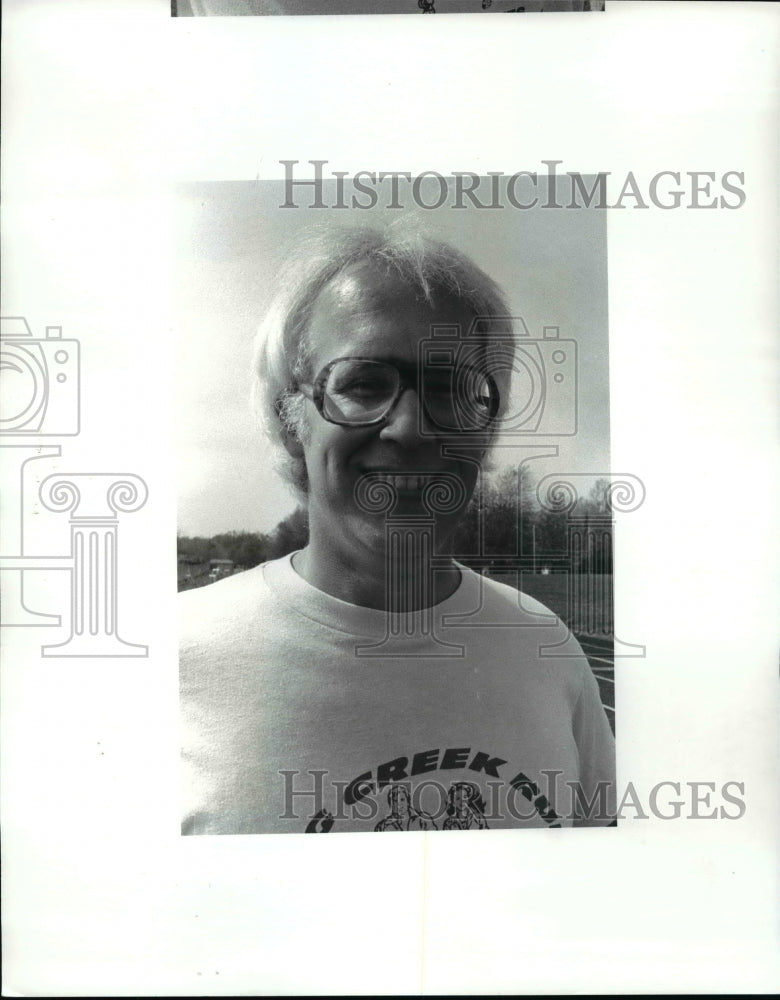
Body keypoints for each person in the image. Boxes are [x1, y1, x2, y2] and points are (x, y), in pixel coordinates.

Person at [179, 224, 615, 835]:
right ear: (290, 417)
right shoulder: (172, 662)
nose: (410, 429)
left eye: (451, 389)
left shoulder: (548, 652)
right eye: (363, 383)